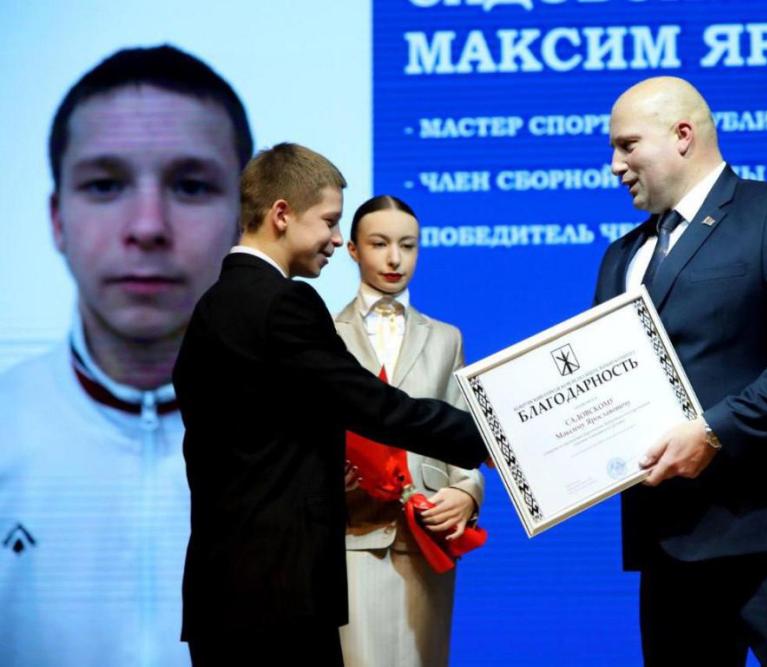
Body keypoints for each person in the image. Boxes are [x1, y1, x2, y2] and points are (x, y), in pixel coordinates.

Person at [174, 144, 486, 666]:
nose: (338, 239)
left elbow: (252, 442)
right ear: (281, 214)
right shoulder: (284, 303)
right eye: (329, 221)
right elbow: (372, 405)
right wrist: (489, 435)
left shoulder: (210, 307)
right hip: (281, 596)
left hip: (220, 591)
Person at [594, 77, 767, 666]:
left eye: (627, 145)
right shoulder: (621, 255)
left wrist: (715, 431)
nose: (614, 165)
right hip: (669, 543)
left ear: (682, 135)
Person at [0, 45, 252, 667]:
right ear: (57, 219)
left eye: (190, 186)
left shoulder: (331, 439)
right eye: (105, 184)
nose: (147, 226)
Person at [334, 195, 484, 667]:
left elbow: (463, 429)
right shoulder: (325, 333)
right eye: (379, 244)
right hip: (353, 531)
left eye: (408, 245)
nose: (395, 258)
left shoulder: (446, 337)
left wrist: (468, 493)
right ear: (353, 249)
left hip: (427, 535)